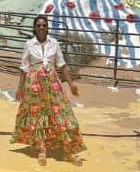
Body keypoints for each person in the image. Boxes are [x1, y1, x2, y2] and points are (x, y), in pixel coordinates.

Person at [10, 15, 86, 166]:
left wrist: (71, 84)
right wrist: (20, 87)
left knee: (62, 113)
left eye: (44, 25)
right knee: (38, 115)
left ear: (47, 27)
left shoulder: (54, 43)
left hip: (52, 83)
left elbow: (62, 65)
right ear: (34, 28)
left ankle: (69, 151)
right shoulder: (29, 44)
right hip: (34, 85)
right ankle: (42, 149)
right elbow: (24, 68)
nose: (41, 28)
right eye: (38, 25)